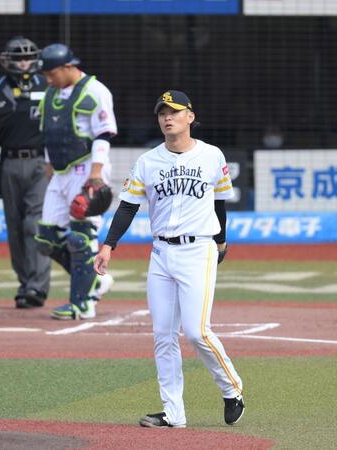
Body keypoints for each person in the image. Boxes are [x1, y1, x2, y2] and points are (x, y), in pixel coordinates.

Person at [94, 90, 245, 427]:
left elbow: (220, 202)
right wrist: (108, 245)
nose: (167, 117)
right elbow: (129, 205)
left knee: (196, 331)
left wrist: (221, 241)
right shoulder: (148, 161)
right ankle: (173, 413)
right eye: (162, 112)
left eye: (174, 112)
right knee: (163, 335)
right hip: (161, 253)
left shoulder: (211, 155)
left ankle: (232, 388)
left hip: (198, 249)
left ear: (190, 117)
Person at [0, 36, 51, 309]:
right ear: (8, 61)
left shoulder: (48, 86)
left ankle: (37, 287)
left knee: (33, 225)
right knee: (15, 227)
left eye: (28, 57)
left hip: (40, 164)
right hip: (9, 164)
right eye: (18, 58)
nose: (24, 62)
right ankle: (25, 284)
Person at [35, 43, 116, 320]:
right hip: (59, 174)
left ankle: (83, 303)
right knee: (46, 238)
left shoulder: (95, 91)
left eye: (52, 73)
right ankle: (96, 280)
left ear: (69, 67)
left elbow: (103, 135)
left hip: (86, 170)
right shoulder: (50, 94)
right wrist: (49, 169)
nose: (48, 79)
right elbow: (50, 135)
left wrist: (96, 174)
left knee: (81, 237)